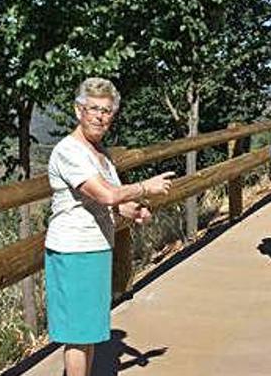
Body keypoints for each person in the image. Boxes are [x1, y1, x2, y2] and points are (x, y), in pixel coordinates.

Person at [45, 77, 174, 376]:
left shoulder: (101, 153)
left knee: (88, 332)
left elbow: (114, 202)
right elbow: (105, 194)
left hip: (96, 247)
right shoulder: (69, 151)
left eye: (106, 111)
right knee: (77, 337)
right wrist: (144, 187)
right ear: (78, 111)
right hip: (73, 250)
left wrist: (135, 211)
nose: (100, 116)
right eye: (93, 109)